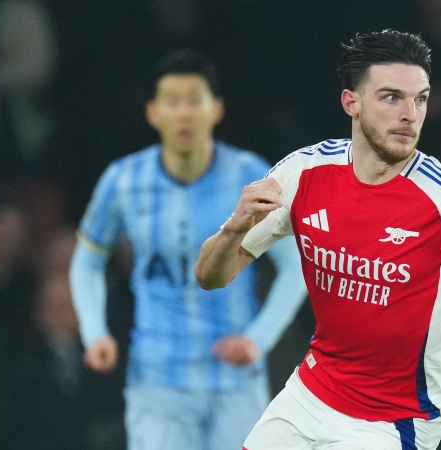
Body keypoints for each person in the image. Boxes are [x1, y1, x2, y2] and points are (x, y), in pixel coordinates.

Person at [193, 30, 441, 449]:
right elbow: (210, 276)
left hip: (395, 419)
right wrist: (234, 228)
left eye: (421, 99)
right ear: (352, 103)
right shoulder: (303, 173)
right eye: (392, 97)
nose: (410, 115)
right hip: (312, 392)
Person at [69, 50, 308, 450]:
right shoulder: (123, 181)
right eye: (172, 102)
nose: (184, 113)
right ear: (152, 112)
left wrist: (258, 339)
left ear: (216, 109)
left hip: (234, 382)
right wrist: (94, 333)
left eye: (194, 101)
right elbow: (87, 263)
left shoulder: (250, 175)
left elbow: (295, 265)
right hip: (157, 383)